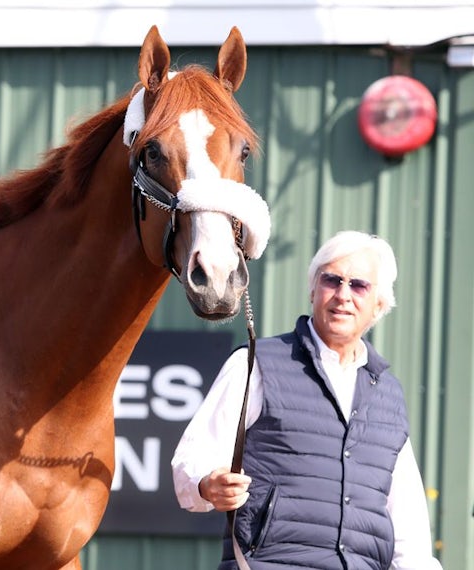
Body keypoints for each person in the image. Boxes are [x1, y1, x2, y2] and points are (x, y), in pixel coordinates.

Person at [171, 230, 442, 569]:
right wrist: (208, 484)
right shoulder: (255, 364)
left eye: (359, 285)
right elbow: (193, 459)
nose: (343, 295)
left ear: (380, 304)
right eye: (332, 280)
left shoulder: (389, 394)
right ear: (313, 290)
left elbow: (407, 524)